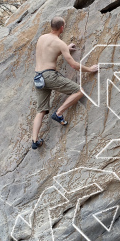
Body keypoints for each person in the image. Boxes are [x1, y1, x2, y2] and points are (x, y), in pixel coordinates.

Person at [31, 16, 99, 149]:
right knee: (79, 91)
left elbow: (48, 53)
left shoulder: (42, 38)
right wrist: (89, 69)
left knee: (41, 111)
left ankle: (34, 140)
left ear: (51, 26)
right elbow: (73, 65)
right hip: (49, 76)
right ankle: (59, 113)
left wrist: (65, 49)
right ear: (62, 27)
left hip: (38, 77)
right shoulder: (59, 43)